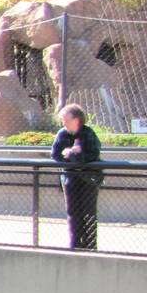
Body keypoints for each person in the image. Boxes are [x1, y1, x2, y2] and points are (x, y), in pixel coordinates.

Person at [52, 103, 103, 250]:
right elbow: (55, 155)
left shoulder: (88, 133)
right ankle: (75, 245)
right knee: (73, 213)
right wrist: (67, 155)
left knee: (89, 213)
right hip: (70, 179)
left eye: (66, 120)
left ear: (76, 120)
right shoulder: (62, 133)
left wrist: (75, 154)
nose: (63, 123)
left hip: (88, 180)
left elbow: (93, 155)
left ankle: (91, 246)